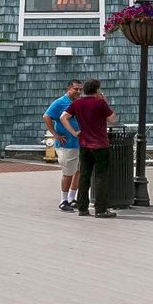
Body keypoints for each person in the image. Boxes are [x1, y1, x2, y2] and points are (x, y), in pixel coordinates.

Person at [64, 80, 119, 216]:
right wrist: (104, 101)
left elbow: (63, 117)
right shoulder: (100, 102)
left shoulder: (77, 103)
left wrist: (74, 132)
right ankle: (101, 209)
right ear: (97, 89)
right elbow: (113, 120)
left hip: (84, 144)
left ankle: (82, 207)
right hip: (100, 145)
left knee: (84, 176)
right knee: (101, 177)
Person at [43, 79, 84, 211]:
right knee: (68, 173)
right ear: (68, 89)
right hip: (66, 145)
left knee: (78, 171)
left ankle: (72, 198)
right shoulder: (60, 102)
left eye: (80, 89)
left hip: (78, 143)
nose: (78, 91)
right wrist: (55, 135)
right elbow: (46, 116)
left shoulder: (78, 102)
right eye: (76, 89)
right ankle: (63, 200)